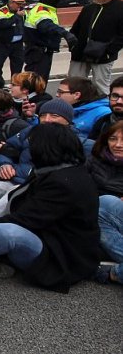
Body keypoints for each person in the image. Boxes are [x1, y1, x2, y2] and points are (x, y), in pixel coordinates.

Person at [0, 123, 100, 294]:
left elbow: (25, 220)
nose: (30, 148)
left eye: (32, 143)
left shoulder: (64, 182)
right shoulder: (51, 171)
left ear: (45, 147)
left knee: (6, 231)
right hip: (37, 232)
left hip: (57, 253)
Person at [68, 0, 123, 96]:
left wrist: (109, 51)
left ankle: (104, 111)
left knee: (100, 85)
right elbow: (75, 29)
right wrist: (73, 45)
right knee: (74, 83)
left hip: (103, 55)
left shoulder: (120, 9)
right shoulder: (88, 8)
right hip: (80, 53)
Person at [87, 121, 123, 286]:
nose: (118, 145)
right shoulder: (93, 160)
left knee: (108, 202)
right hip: (94, 215)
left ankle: (114, 273)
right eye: (113, 139)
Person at [23, 0, 78, 82]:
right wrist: (65, 34)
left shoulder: (46, 9)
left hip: (41, 52)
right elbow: (47, 25)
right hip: (38, 53)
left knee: (38, 80)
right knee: (37, 81)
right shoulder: (42, 11)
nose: (59, 0)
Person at [0, 0, 25, 77]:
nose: (20, 7)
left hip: (18, 44)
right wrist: (17, 16)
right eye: (18, 4)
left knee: (18, 66)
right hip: (2, 43)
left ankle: (15, 84)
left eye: (22, 5)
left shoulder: (22, 12)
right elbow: (4, 24)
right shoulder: (1, 12)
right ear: (11, 3)